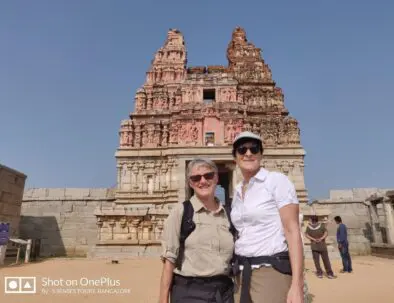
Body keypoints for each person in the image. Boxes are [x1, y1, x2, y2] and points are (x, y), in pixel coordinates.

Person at [230, 131, 304, 303]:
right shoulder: (238, 191)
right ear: (235, 157)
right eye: (242, 150)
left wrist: (297, 284)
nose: (248, 153)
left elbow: (292, 230)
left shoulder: (276, 181)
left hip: (270, 270)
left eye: (254, 149)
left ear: (261, 154)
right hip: (241, 273)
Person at [159, 158, 235, 303]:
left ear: (217, 178)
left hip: (224, 292)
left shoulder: (229, 215)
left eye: (208, 176)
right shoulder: (181, 212)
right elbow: (169, 261)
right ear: (190, 183)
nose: (203, 181)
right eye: (196, 178)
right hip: (190, 292)